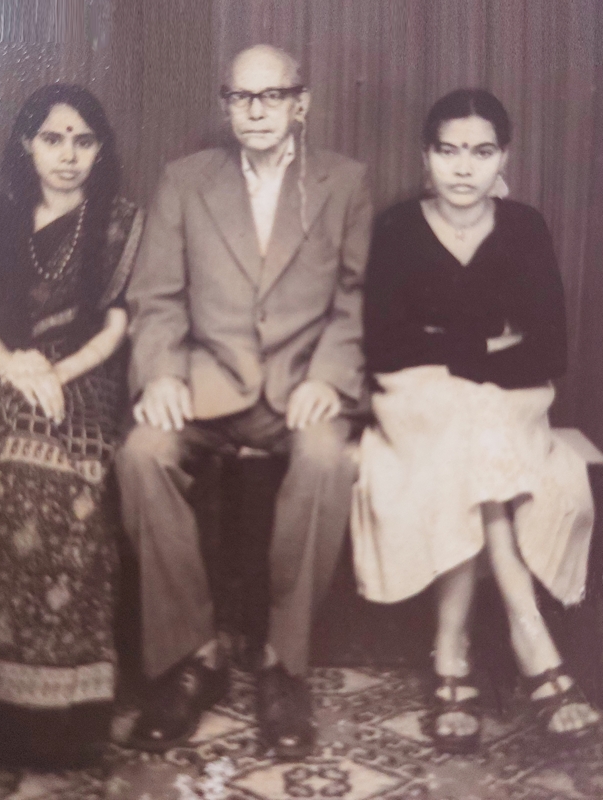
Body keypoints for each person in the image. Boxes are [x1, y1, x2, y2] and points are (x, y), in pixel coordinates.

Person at [115, 44, 371, 759]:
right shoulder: (185, 181)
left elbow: (351, 302)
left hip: (298, 389)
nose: (255, 111)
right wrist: (160, 374)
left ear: (302, 103)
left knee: (328, 459)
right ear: (225, 104)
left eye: (271, 95)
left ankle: (280, 666)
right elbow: (156, 298)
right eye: (240, 97)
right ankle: (193, 656)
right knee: (140, 457)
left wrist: (327, 376)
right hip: (203, 384)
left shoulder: (344, 183)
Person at [353, 88, 600, 754]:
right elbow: (382, 347)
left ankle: (450, 651)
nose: (463, 168)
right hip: (415, 400)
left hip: (505, 404)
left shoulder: (525, 228)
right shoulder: (398, 228)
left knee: (475, 426)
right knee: (464, 420)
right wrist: (484, 343)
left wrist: (438, 337)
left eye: (481, 152)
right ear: (425, 156)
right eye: (447, 151)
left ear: (502, 159)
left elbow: (551, 352)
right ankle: (532, 639)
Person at [0, 84, 143, 767]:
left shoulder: (117, 219)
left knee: (59, 485)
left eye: (83, 140)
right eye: (53, 139)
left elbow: (116, 329)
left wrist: (59, 372)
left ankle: (62, 723)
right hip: (2, 369)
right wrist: (20, 369)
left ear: (100, 148)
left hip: (88, 377)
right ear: (27, 144)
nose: (68, 155)